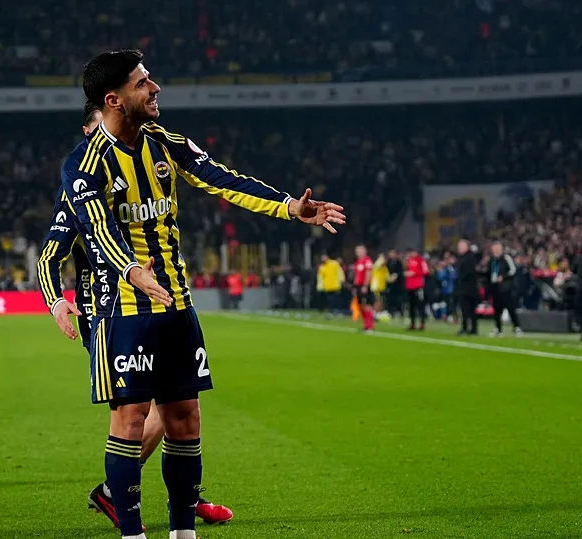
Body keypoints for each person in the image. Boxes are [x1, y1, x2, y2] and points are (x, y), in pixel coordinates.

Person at [61, 49, 345, 539]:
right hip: (123, 309)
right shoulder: (84, 164)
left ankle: (183, 532)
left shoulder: (165, 142)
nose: (155, 88)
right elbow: (97, 228)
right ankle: (132, 533)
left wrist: (288, 207)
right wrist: (131, 270)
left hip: (176, 304)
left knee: (185, 418)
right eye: (142, 83)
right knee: (130, 419)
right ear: (114, 99)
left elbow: (222, 180)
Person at [37, 102, 233, 530]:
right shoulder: (79, 189)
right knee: (141, 411)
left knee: (178, 408)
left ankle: (170, 496)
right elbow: (49, 256)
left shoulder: (150, 159)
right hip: (108, 313)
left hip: (163, 303)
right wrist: (56, 301)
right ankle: (135, 497)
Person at [484, 242, 523, 337]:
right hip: (495, 288)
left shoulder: (506, 258)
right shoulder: (492, 260)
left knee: (510, 308)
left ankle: (517, 327)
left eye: (498, 249)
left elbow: (513, 270)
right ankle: (498, 328)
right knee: (497, 309)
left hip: (505, 288)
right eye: (494, 249)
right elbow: (489, 273)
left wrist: (503, 277)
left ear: (501, 249)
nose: (496, 251)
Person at [454, 239, 480, 336]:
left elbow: (468, 272)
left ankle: (472, 328)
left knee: (470, 309)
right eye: (459, 246)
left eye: (462, 246)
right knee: (465, 309)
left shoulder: (470, 258)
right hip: (463, 287)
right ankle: (467, 328)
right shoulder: (462, 258)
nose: (460, 248)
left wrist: (460, 277)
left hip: (469, 288)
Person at [404, 247, 429, 330]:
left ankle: (422, 323)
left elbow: (426, 271)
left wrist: (415, 273)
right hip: (409, 286)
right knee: (411, 306)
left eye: (411, 252)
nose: (410, 254)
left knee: (420, 305)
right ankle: (412, 323)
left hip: (418, 286)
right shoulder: (409, 260)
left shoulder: (421, 260)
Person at [353, 245, 375, 331]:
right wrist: (355, 287)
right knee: (361, 306)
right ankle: (366, 325)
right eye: (357, 251)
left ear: (365, 251)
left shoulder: (367, 261)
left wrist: (365, 285)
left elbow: (368, 273)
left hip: (364, 285)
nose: (358, 252)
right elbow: (357, 275)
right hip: (358, 286)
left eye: (360, 251)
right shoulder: (358, 262)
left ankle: (370, 326)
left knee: (367, 305)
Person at [385, 249, 404, 319]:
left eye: (393, 253)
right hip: (389, 284)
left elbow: (401, 272)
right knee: (389, 299)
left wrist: (396, 275)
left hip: (397, 285)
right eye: (390, 253)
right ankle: (390, 312)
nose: (391, 255)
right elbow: (385, 271)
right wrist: (388, 277)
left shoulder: (399, 263)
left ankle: (400, 312)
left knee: (398, 299)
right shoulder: (387, 262)